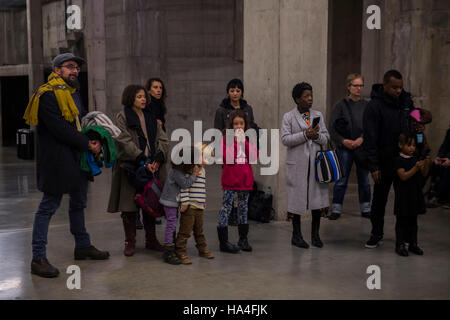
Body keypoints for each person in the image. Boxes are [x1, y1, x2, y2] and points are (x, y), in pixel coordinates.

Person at [24, 53, 110, 278]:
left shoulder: (73, 93)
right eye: (69, 67)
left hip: (77, 159)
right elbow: (60, 128)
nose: (74, 71)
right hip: (56, 162)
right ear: (56, 70)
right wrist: (87, 144)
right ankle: (38, 257)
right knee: (48, 206)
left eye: (77, 68)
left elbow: (79, 123)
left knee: (79, 203)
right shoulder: (47, 95)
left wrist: (94, 139)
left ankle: (82, 245)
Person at [107, 85, 169, 257]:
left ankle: (151, 239)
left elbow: (163, 139)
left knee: (150, 203)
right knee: (129, 207)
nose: (143, 99)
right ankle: (130, 242)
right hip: (131, 167)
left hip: (152, 168)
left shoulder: (151, 116)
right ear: (130, 98)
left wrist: (157, 158)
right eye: (139, 96)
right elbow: (123, 141)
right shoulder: (122, 117)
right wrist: (142, 159)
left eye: (144, 96)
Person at [363, 70, 415, 249]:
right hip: (383, 161)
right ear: (384, 85)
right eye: (394, 87)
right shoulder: (374, 106)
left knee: (404, 201)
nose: (398, 91)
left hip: (404, 159)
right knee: (379, 200)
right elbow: (370, 137)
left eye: (400, 87)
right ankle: (376, 234)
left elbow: (415, 118)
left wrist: (420, 116)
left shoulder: (406, 101)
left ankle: (406, 237)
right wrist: (373, 165)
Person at [281, 82, 330, 249]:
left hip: (315, 164)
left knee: (316, 201)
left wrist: (315, 135)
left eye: (311, 95)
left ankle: (315, 236)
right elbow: (285, 139)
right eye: (306, 96)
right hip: (298, 165)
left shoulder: (318, 115)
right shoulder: (289, 117)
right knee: (297, 201)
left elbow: (326, 138)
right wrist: (304, 135)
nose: (310, 99)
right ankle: (296, 236)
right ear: (297, 99)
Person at [214, 79, 257, 227]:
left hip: (244, 153)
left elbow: (252, 126)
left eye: (238, 90)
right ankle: (229, 217)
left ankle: (242, 233)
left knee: (243, 199)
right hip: (228, 148)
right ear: (228, 92)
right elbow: (217, 132)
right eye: (232, 90)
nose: (235, 93)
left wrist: (248, 139)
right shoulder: (222, 110)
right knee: (229, 191)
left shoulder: (247, 108)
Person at [329, 74, 371, 220]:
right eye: (356, 86)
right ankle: (336, 209)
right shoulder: (340, 105)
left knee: (364, 179)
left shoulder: (366, 106)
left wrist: (361, 139)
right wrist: (343, 141)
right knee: (342, 179)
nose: (359, 89)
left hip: (361, 147)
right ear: (349, 87)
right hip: (345, 147)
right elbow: (332, 128)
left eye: (361, 86)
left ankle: (366, 208)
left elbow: (371, 127)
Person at [217, 109, 257, 253]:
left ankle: (243, 239)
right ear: (231, 126)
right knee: (226, 208)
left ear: (245, 125)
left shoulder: (248, 140)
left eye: (241, 124)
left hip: (244, 181)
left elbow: (253, 157)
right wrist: (236, 143)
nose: (239, 127)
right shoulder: (225, 140)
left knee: (243, 209)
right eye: (235, 124)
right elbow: (227, 158)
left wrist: (244, 143)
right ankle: (223, 241)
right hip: (230, 181)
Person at [175, 143, 215, 265]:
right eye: (205, 158)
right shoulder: (191, 169)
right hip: (190, 206)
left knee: (199, 230)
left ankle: (202, 249)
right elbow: (184, 187)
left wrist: (203, 202)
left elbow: (202, 188)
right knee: (185, 231)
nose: (207, 162)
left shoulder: (203, 171)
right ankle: (180, 251)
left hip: (199, 206)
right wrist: (185, 202)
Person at [159, 149, 200, 265]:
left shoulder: (178, 170)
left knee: (172, 224)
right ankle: (168, 251)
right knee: (171, 224)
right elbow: (185, 184)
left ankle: (171, 245)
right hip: (170, 202)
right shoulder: (177, 172)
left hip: (172, 201)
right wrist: (194, 175)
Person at [394, 133, 430, 256]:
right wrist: (415, 168)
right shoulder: (399, 160)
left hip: (414, 194)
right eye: (409, 145)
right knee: (401, 221)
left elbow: (424, 174)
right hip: (403, 195)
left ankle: (413, 243)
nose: (412, 148)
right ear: (400, 145)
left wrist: (426, 163)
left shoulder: (415, 158)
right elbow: (403, 176)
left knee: (413, 221)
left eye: (414, 145)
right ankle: (400, 244)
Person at [428, 127, 450, 208]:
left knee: (448, 168)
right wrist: (439, 157)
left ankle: (438, 197)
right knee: (435, 165)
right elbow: (444, 146)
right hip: (448, 157)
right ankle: (433, 192)